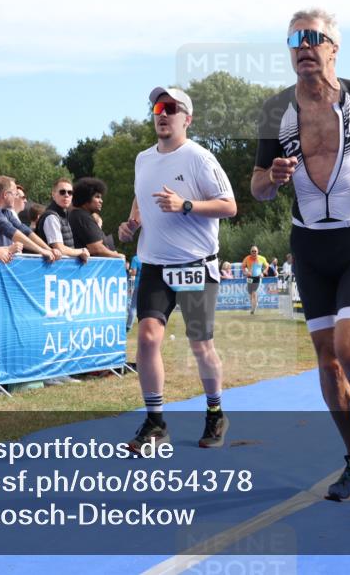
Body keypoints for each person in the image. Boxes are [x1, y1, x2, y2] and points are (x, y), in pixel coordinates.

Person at [251, 8, 350, 502]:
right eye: (294, 39)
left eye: (312, 37)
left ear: (333, 47)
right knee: (327, 362)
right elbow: (256, 188)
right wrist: (272, 180)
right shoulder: (273, 112)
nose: (302, 46)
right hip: (308, 246)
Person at [117, 85, 236, 454]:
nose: (162, 113)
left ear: (188, 118)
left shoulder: (200, 158)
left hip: (196, 265)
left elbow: (229, 206)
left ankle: (215, 412)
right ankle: (155, 422)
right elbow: (142, 196)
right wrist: (131, 224)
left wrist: (185, 205)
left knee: (201, 345)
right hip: (154, 263)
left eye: (171, 107)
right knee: (148, 337)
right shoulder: (142, 159)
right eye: (157, 107)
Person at [0, 176, 59, 261]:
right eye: (15, 194)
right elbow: (10, 230)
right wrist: (41, 250)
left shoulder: (5, 211)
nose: (16, 197)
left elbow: (25, 230)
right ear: (5, 195)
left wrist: (49, 249)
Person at [36, 177, 91, 261]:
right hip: (51, 269)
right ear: (53, 194)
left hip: (62, 269)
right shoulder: (51, 217)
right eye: (62, 192)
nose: (66, 195)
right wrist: (81, 251)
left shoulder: (64, 214)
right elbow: (60, 249)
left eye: (70, 192)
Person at [69, 177, 124, 259]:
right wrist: (118, 256)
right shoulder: (82, 216)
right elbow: (96, 248)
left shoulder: (80, 215)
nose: (101, 201)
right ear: (86, 198)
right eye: (97, 197)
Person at [241, 246, 269, 314]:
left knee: (254, 292)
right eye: (252, 251)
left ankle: (253, 309)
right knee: (250, 294)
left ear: (257, 251)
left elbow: (267, 266)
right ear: (250, 252)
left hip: (258, 277)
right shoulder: (247, 258)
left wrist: (263, 272)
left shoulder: (262, 258)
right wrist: (245, 272)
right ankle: (254, 305)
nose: (254, 252)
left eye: (255, 251)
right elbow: (243, 267)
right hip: (250, 278)